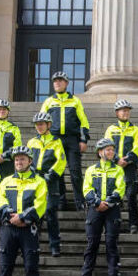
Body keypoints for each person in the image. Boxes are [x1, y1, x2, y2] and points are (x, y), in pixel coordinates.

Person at [0, 146, 48, 276]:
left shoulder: (39, 182)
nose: (19, 162)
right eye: (17, 159)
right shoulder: (6, 181)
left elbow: (40, 205)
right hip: (8, 229)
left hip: (28, 230)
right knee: (5, 267)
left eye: (22, 159)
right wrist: (11, 216)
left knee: (31, 267)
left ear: (30, 161)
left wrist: (23, 217)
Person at [77, 138, 126, 276]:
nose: (111, 152)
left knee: (111, 243)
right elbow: (86, 188)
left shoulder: (118, 169)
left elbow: (120, 189)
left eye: (112, 149)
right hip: (94, 210)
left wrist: (108, 203)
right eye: (108, 149)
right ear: (100, 152)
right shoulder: (92, 170)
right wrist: (97, 202)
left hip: (112, 210)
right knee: (92, 243)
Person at [41, 71, 89, 211]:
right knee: (58, 172)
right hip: (55, 141)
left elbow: (83, 122)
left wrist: (83, 140)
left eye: (61, 80)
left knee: (75, 172)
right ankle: (61, 201)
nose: (57, 83)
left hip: (72, 140)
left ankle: (80, 201)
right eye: (55, 81)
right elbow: (41, 122)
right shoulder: (49, 101)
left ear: (66, 83)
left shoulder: (75, 101)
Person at [26, 111, 66, 257]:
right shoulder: (31, 142)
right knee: (34, 214)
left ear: (48, 125)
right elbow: (27, 159)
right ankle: (32, 245)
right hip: (35, 181)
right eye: (37, 125)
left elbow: (61, 161)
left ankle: (54, 245)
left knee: (50, 213)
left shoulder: (56, 141)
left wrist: (50, 175)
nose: (39, 127)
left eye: (42, 124)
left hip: (50, 181)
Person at [104, 99, 138, 233]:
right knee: (113, 195)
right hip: (114, 167)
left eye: (127, 110)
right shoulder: (111, 129)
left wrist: (128, 159)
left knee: (131, 196)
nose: (125, 113)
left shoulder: (135, 129)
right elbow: (107, 146)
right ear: (117, 113)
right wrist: (116, 159)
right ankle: (114, 223)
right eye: (123, 110)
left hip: (130, 167)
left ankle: (134, 224)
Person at [0, 99, 21, 179]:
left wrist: (4, 155)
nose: (1, 111)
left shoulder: (14, 128)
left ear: (8, 112)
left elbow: (17, 145)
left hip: (8, 162)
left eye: (4, 109)